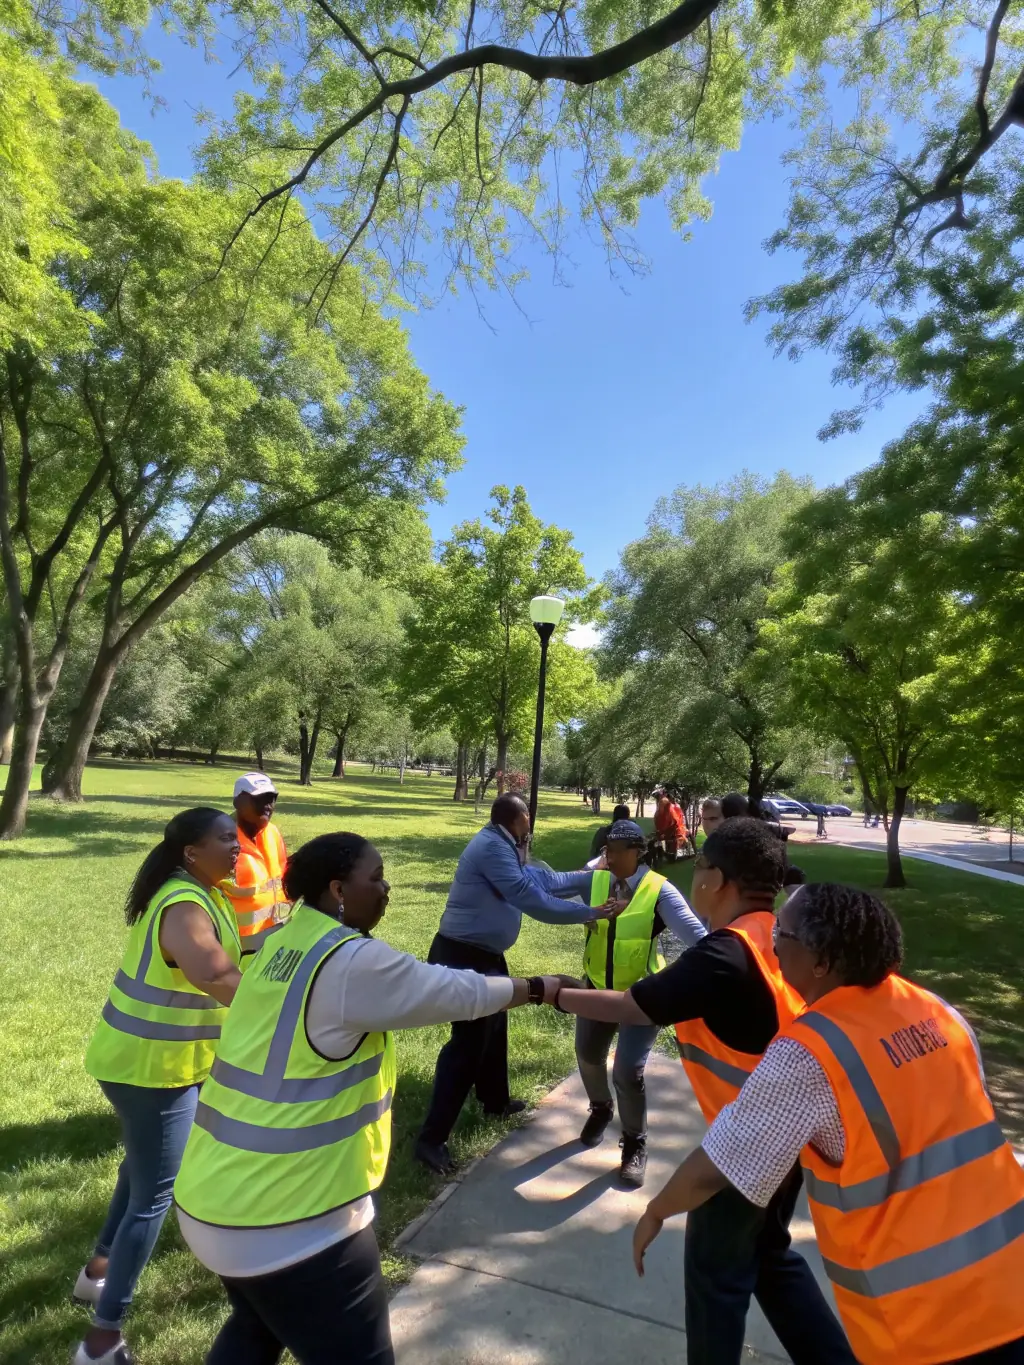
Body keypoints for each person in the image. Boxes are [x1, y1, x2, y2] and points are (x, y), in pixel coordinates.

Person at [174, 832, 568, 1365]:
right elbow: (457, 991)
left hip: (213, 1198)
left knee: (256, 1326)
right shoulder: (348, 963)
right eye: (376, 878)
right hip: (292, 1220)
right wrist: (540, 987)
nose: (386, 890)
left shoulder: (281, 943)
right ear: (337, 889)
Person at [633, 883, 1024, 1365]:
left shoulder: (811, 1052)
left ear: (820, 961)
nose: (773, 941)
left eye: (783, 932)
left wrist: (656, 1210)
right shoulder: (937, 1012)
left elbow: (720, 1168)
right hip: (1013, 1281)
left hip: (929, 1323)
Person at [550, 818, 854, 1365]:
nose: (693, 876)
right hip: (788, 1142)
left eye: (700, 866)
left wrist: (550, 993)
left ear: (717, 880)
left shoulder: (725, 956)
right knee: (767, 1261)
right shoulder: (776, 938)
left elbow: (630, 1007)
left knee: (716, 1284)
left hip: (750, 1150)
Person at [73, 809, 242, 1365]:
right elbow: (215, 976)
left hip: (150, 1064)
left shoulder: (199, 891)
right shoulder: (185, 904)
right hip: (151, 1071)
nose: (236, 845)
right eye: (224, 838)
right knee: (154, 1197)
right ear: (191, 852)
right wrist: (285, 1005)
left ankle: (96, 1272)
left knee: (138, 1172)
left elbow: (228, 957)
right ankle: (102, 1340)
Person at [414, 792, 620, 1175]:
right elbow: (530, 898)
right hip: (461, 954)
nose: (532, 828)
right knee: (469, 1044)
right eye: (530, 820)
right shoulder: (493, 848)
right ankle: (431, 1140)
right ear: (521, 817)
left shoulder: (508, 846)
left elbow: (546, 880)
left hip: (482, 953)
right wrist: (590, 913)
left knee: (495, 1029)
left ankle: (495, 1101)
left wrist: (598, 877)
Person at [564, 819, 706, 1186]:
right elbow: (551, 886)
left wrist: (686, 984)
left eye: (613, 850)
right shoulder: (594, 878)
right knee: (587, 1054)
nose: (605, 855)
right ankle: (600, 1108)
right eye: (603, 848)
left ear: (636, 853)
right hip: (596, 989)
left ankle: (634, 1143)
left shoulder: (659, 891)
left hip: (640, 997)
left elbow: (700, 940)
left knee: (627, 1072)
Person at [220, 772, 291, 966]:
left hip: (278, 932)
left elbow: (284, 874)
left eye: (272, 799)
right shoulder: (220, 839)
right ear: (238, 801)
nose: (268, 806)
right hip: (239, 943)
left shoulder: (272, 833)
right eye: (260, 799)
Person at [653, 789, 687, 858]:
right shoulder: (663, 809)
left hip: (674, 832)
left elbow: (675, 822)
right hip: (667, 833)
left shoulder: (672, 807)